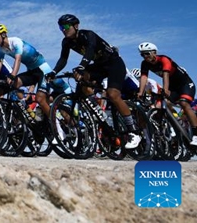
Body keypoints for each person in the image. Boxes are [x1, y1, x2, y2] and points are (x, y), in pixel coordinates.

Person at [51, 14, 142, 149]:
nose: (63, 30)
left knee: (113, 94)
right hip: (99, 65)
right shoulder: (66, 42)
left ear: (75, 26)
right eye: (60, 27)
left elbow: (90, 50)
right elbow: (63, 59)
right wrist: (53, 72)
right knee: (82, 81)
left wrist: (82, 66)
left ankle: (134, 132)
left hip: (114, 63)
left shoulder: (88, 35)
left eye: (65, 26)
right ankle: (97, 109)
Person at [0, 24, 70, 123]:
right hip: (32, 71)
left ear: (4, 34)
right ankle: (24, 107)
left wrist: (13, 75)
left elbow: (18, 59)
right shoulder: (1, 49)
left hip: (42, 70)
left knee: (40, 99)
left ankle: (57, 126)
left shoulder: (15, 42)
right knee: (12, 84)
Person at [135, 42, 197, 148]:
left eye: (147, 54)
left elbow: (165, 75)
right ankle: (175, 126)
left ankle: (196, 134)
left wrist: (166, 89)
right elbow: (144, 78)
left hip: (185, 84)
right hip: (173, 87)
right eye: (142, 55)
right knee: (162, 103)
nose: (145, 57)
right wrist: (140, 93)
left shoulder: (164, 59)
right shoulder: (144, 63)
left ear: (154, 52)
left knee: (183, 103)